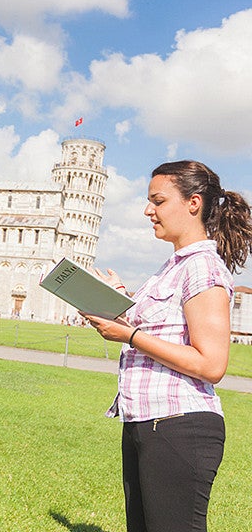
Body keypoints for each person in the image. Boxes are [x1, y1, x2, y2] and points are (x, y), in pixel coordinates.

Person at [82, 160, 252, 532]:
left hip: (180, 427)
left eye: (157, 201)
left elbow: (211, 364)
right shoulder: (171, 266)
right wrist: (120, 303)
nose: (148, 210)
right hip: (145, 422)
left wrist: (129, 335)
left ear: (193, 203)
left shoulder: (202, 267)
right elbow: (166, 332)